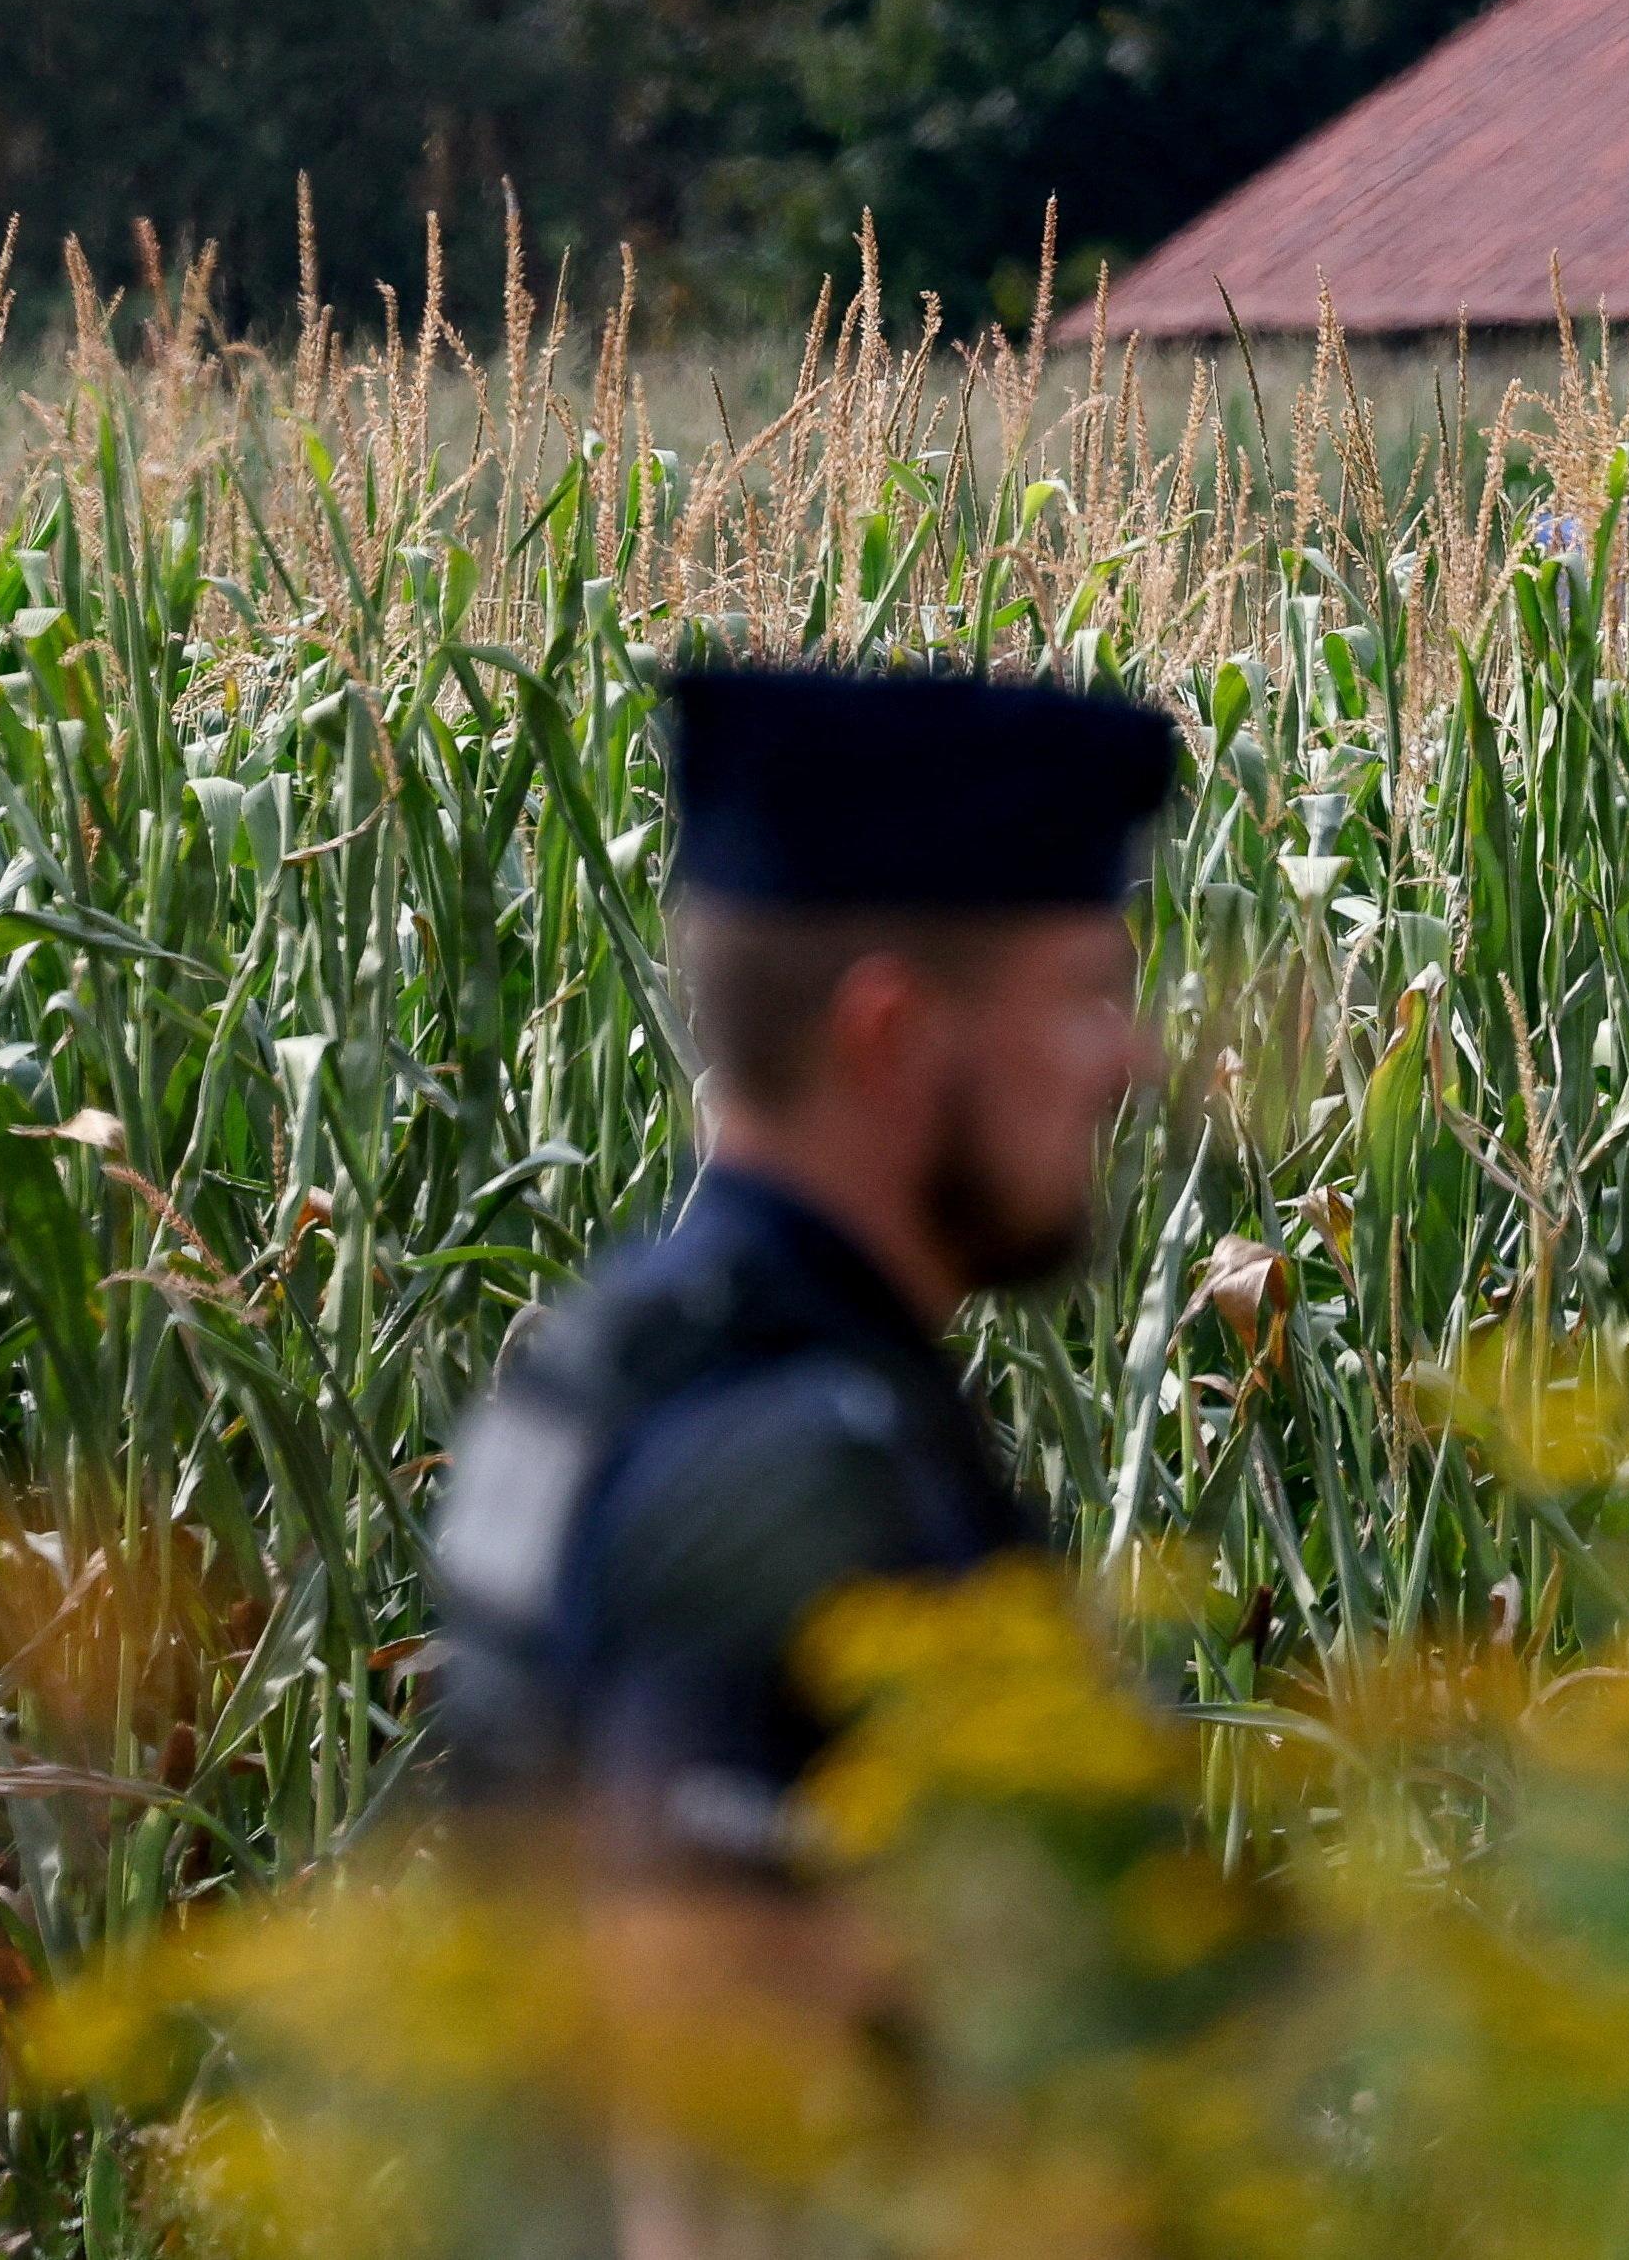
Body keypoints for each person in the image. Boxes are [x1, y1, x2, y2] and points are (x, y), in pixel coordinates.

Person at [428, 663, 1174, 2243]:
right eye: (1079, 999)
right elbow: (716, 2144)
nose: (1128, 1062)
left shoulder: (615, 1356)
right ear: (892, 1034)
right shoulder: (786, 1459)